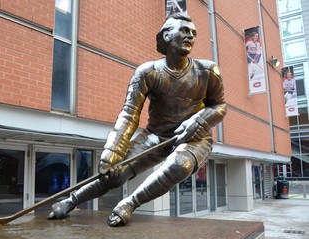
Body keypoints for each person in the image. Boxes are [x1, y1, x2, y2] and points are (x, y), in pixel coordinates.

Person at [47, 13, 227, 227]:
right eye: (184, 31)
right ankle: (71, 201)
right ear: (167, 35)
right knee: (115, 173)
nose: (191, 36)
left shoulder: (208, 71)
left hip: (194, 137)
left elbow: (220, 106)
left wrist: (200, 120)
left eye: (193, 33)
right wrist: (112, 153)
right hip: (156, 136)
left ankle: (129, 204)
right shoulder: (148, 72)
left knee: (180, 164)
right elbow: (129, 113)